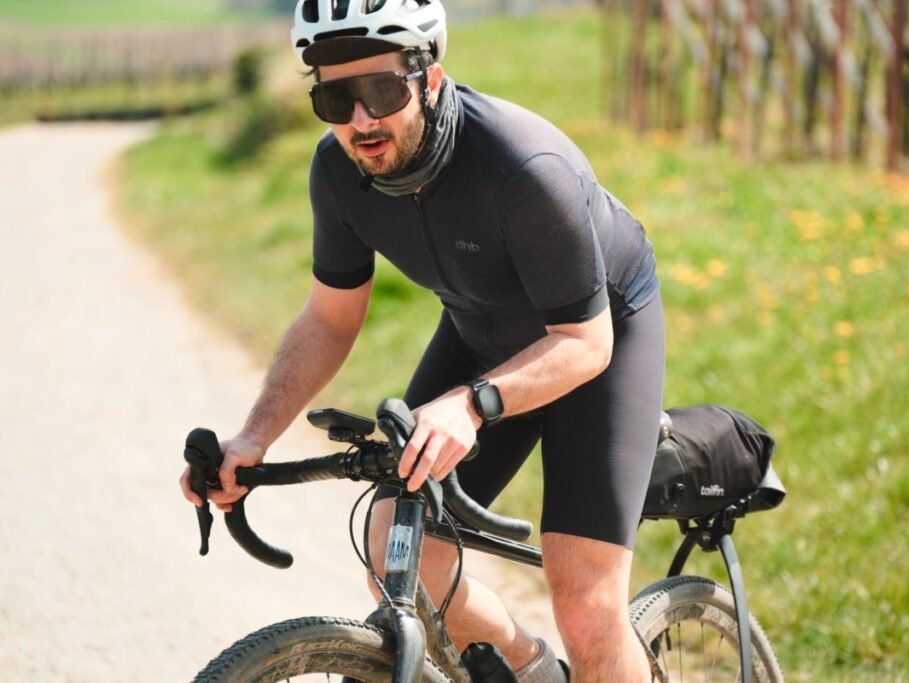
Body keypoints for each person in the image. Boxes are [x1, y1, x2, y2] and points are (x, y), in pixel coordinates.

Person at [180, 0, 665, 680]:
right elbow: (329, 319)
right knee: (394, 557)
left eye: (381, 92)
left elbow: (586, 343)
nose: (360, 121)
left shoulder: (523, 168)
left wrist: (470, 405)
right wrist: (254, 438)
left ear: (429, 78)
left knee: (585, 601)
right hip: (480, 332)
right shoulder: (338, 173)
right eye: (335, 99)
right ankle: (536, 673)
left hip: (595, 338)